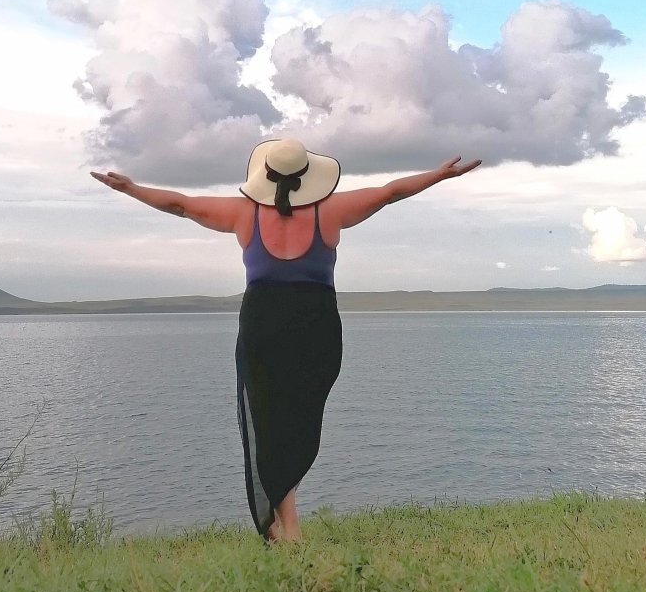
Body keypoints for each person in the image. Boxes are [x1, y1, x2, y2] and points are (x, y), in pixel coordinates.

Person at [91, 138, 482, 543]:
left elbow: (181, 204)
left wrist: (132, 189)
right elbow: (390, 192)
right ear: (308, 176)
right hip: (316, 326)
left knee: (269, 420)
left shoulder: (243, 212)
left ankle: (285, 523)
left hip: (262, 325)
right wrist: (438, 176)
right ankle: (288, 525)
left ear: (263, 175)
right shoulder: (330, 210)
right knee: (299, 420)